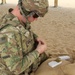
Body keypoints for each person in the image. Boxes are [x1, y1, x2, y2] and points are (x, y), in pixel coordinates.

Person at [0, 0, 49, 75]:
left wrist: (36, 37)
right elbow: (16, 68)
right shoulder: (8, 33)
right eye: (36, 15)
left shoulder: (16, 19)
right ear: (25, 11)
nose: (36, 19)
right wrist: (38, 51)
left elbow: (23, 31)